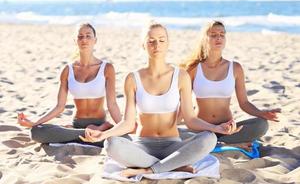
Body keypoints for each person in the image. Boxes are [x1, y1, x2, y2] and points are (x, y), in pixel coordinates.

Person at [80, 21, 241, 177]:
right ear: (144, 45)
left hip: (173, 144)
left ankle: (148, 170)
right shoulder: (133, 78)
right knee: (111, 144)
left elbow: (191, 120)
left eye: (161, 40)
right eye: (151, 41)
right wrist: (103, 135)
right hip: (143, 146)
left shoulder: (181, 76)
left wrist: (217, 129)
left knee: (209, 139)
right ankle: (171, 166)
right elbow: (128, 123)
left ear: (167, 43)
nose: (157, 45)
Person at [17, 23, 122, 147]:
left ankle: (93, 133)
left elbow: (112, 104)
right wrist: (35, 122)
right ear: (75, 41)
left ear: (95, 40)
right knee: (36, 132)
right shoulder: (68, 70)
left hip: (99, 123)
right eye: (80, 36)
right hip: (76, 124)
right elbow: (59, 106)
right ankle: (88, 135)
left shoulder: (107, 68)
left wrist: (122, 125)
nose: (84, 39)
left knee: (121, 138)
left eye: (88, 36)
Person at [179, 20, 280, 146]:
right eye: (213, 35)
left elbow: (244, 103)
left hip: (227, 129)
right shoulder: (193, 69)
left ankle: (216, 142)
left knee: (261, 125)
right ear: (204, 39)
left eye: (222, 34)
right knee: (175, 133)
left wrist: (260, 113)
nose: (219, 38)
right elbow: (183, 106)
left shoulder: (235, 68)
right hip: (201, 129)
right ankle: (216, 142)